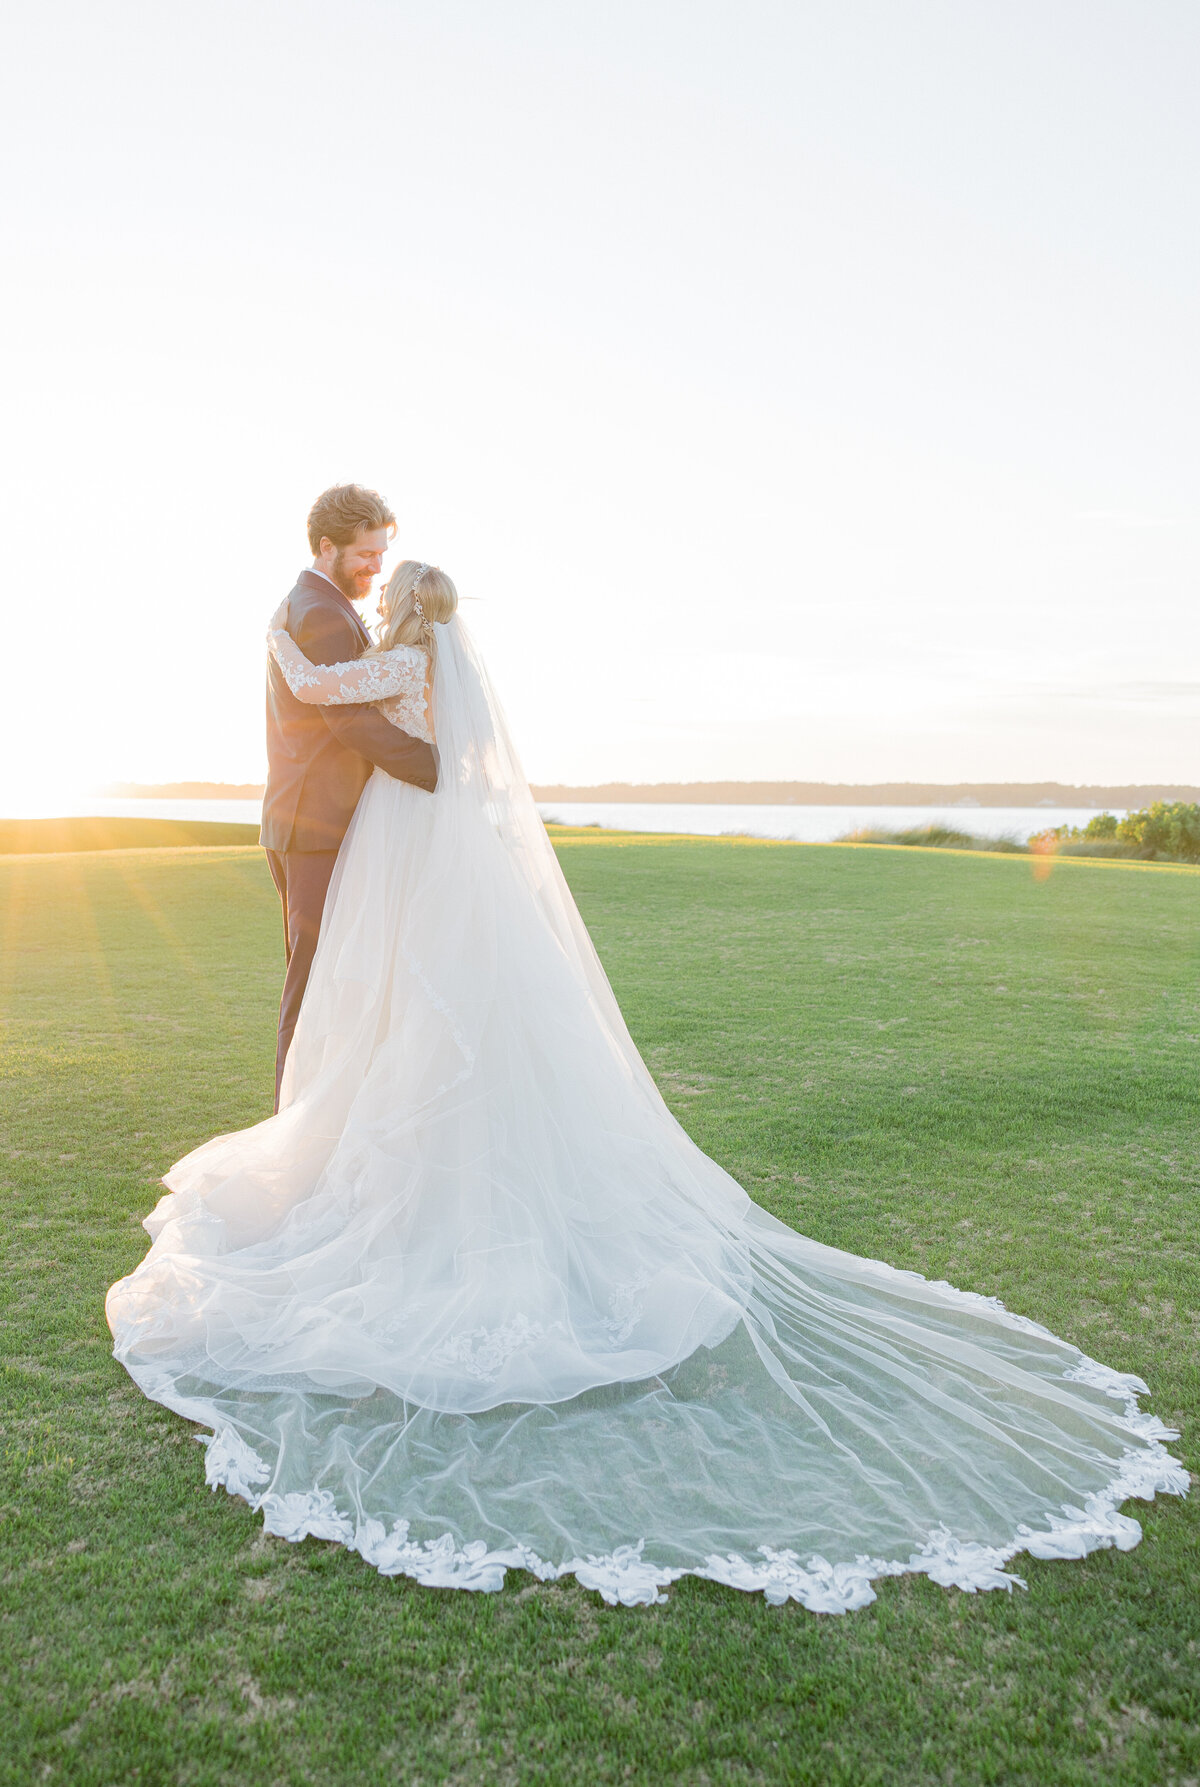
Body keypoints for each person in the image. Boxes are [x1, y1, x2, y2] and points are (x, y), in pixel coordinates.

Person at [105, 566, 1186, 1610]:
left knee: (411, 1009)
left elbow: (322, 687)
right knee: (447, 1019)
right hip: (442, 851)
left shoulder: (396, 660)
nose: (381, 599)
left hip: (409, 850)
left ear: (407, 606)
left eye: (390, 593)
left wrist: (284, 644)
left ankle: (408, 1168)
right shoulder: (445, 662)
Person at [260, 484, 438, 1107]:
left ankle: (328, 1117)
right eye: (366, 555)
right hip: (316, 825)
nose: (376, 568)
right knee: (311, 984)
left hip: (315, 820)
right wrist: (433, 769)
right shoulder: (321, 614)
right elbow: (350, 721)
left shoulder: (320, 606)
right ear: (327, 546)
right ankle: (291, 1133)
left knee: (336, 976)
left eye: (382, 555)